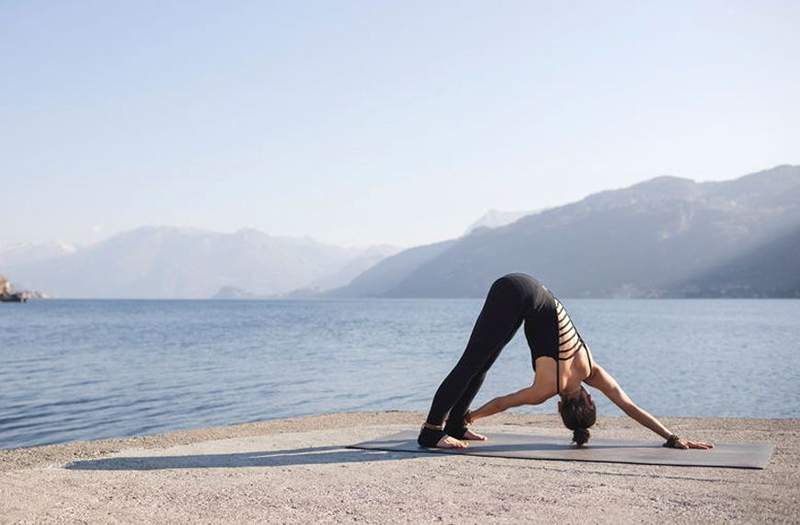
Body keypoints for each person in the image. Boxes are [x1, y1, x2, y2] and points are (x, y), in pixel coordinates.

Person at [417, 272, 713, 451]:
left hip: (527, 291)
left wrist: (673, 437)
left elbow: (629, 406)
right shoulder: (545, 390)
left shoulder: (590, 370)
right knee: (471, 364)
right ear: (560, 409)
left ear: (589, 398)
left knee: (482, 364)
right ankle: (431, 432)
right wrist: (474, 416)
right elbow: (500, 403)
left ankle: (453, 426)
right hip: (516, 295)